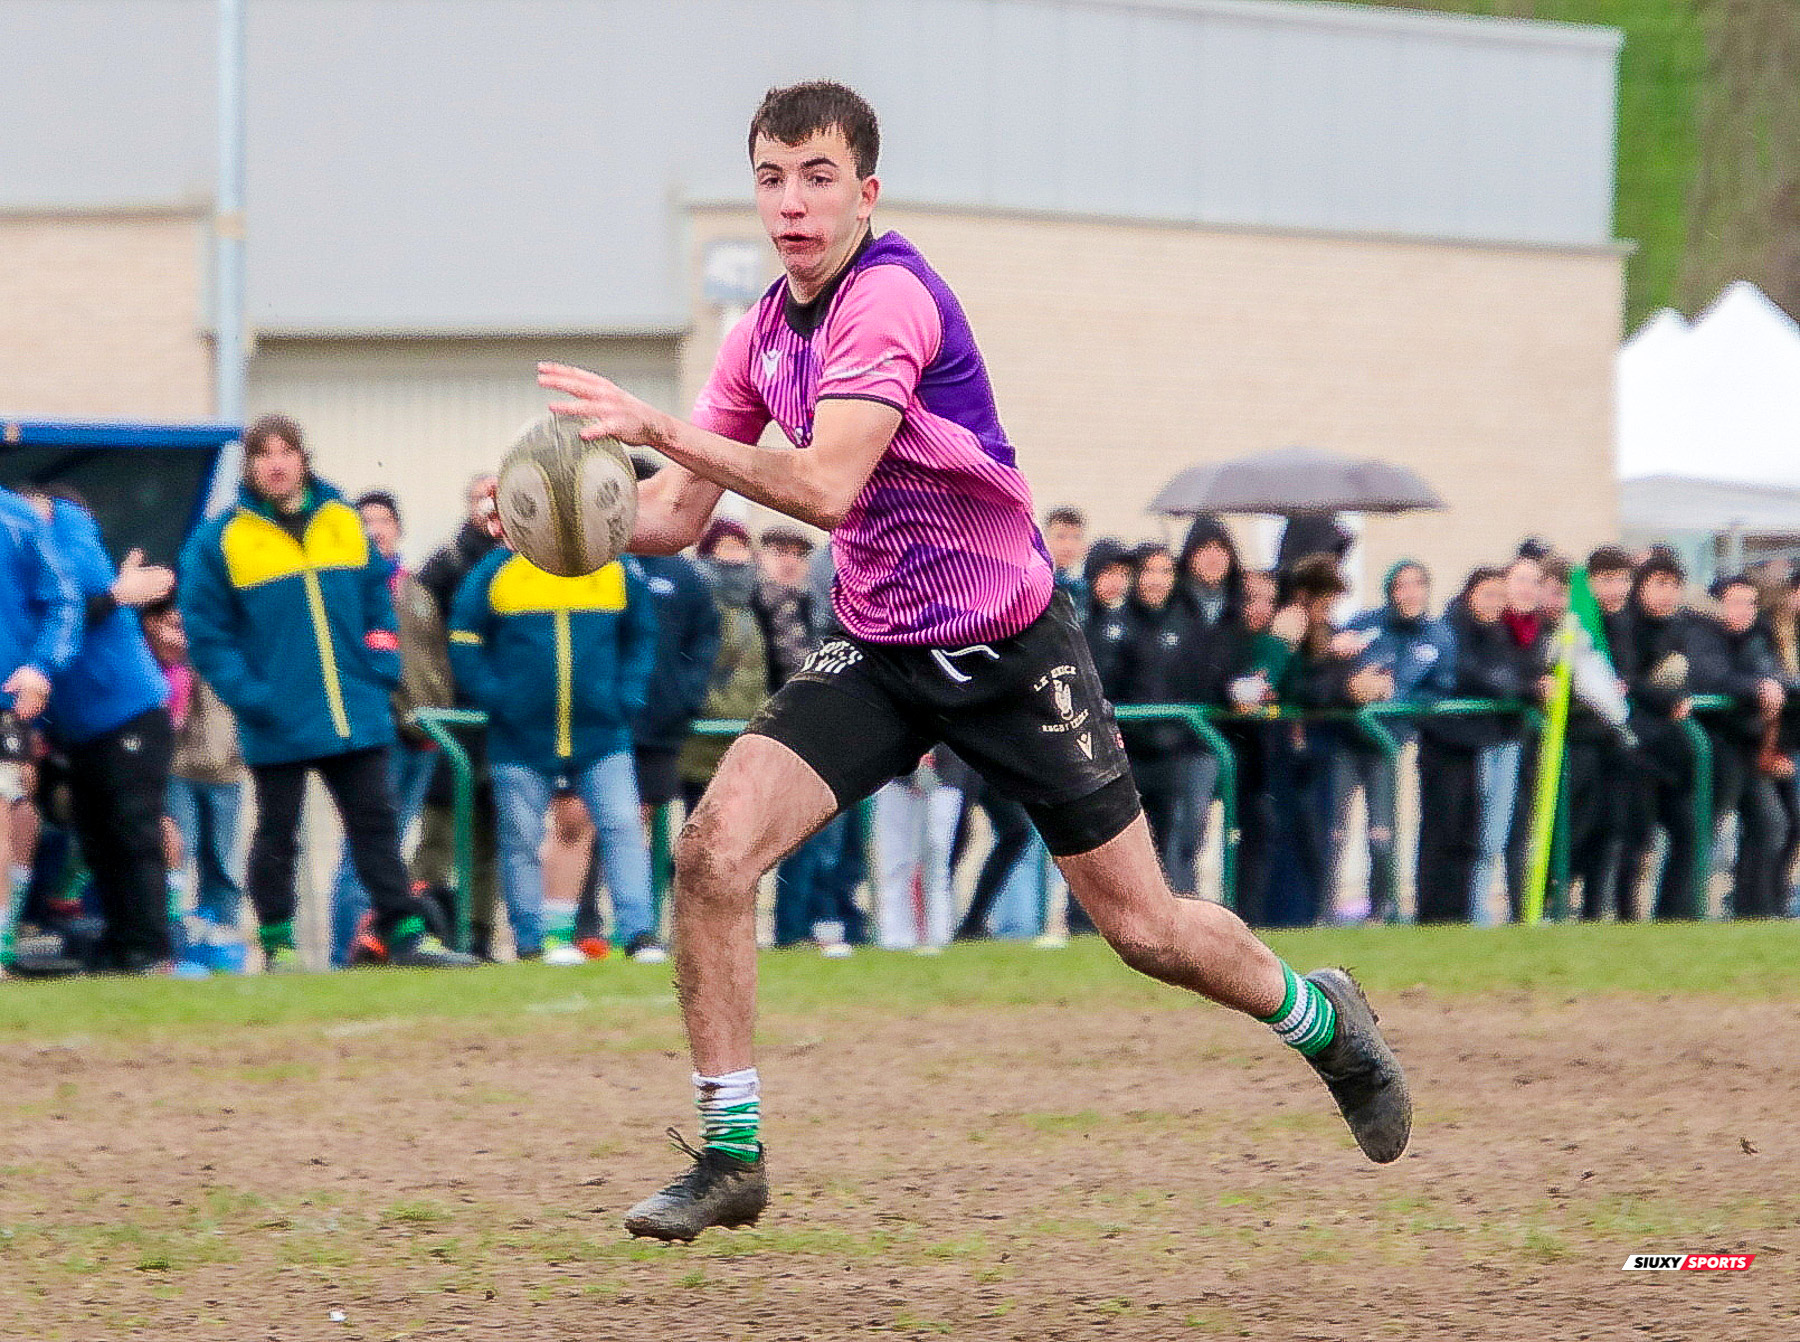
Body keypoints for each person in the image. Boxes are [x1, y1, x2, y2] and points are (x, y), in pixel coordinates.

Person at [531, 80, 1410, 1240]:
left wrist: (653, 428)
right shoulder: (758, 336)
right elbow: (680, 513)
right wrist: (562, 529)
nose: (792, 204)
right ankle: (731, 1151)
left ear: (866, 190)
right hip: (882, 651)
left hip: (1008, 652)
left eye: (818, 176)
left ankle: (1321, 1018)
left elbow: (824, 484)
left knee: (1145, 931)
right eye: (771, 178)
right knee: (711, 851)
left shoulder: (888, 299)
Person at [180, 413, 476, 970]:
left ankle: (404, 934)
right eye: (263, 453)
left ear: (302, 458)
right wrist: (251, 695)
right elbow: (208, 634)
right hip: (277, 719)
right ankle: (277, 942)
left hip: (356, 710)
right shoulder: (218, 541)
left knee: (376, 824)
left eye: (285, 451)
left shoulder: (343, 521)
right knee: (277, 834)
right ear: (249, 465)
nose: (276, 463)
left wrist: (382, 662)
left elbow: (376, 598)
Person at [448, 533, 659, 961]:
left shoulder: (613, 567)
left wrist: (627, 695)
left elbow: (642, 634)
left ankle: (639, 935)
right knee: (522, 839)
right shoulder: (494, 570)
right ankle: (532, 941)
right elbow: (464, 638)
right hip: (520, 736)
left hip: (602, 733)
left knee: (622, 828)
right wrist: (498, 698)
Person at [27, 487, 178, 973]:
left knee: (133, 830)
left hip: (128, 711)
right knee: (98, 837)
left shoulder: (70, 536)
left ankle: (151, 951)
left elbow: (69, 609)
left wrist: (115, 593)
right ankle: (122, 946)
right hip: (83, 727)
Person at [330, 491, 454, 966]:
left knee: (393, 844)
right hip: (379, 734)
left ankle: (382, 943)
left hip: (424, 736)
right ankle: (349, 949)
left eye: (384, 521)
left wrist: (435, 712)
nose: (376, 530)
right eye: (366, 523)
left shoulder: (417, 590)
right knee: (363, 846)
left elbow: (434, 662)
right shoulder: (352, 589)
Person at [414, 474, 503, 958]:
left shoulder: (528, 562)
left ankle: (480, 930)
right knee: (438, 831)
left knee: (490, 835)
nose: (488, 509)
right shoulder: (445, 565)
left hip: (501, 719)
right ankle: (425, 926)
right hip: (452, 718)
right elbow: (423, 639)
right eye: (479, 499)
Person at [1335, 561, 1451, 923]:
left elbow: (1441, 691)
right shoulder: (1364, 625)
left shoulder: (1438, 637)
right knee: (1334, 830)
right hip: (1347, 740)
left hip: (1389, 743)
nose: (1409, 593)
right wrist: (1352, 684)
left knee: (1381, 831)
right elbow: (1333, 671)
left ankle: (1382, 910)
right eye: (1401, 586)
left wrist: (1394, 695)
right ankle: (1322, 910)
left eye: (1417, 585)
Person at [0, 487, 81, 967]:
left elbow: (64, 600)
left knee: (9, 808)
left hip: (4, 697)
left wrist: (40, 666)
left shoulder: (15, 520)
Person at [142, 598, 247, 963]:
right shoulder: (175, 641)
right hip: (178, 769)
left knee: (225, 868)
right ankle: (174, 944)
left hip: (227, 768)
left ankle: (220, 945)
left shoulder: (233, 631)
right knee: (176, 857)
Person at [1615, 552, 1705, 920]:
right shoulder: (1625, 626)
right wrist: (1667, 700)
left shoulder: (1686, 628)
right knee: (1637, 839)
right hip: (1637, 750)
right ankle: (1627, 916)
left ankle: (1674, 915)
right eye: (1659, 585)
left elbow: (1699, 675)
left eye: (1674, 586)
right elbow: (1627, 680)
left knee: (1687, 833)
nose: (1667, 594)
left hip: (1675, 752)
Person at [1697, 574, 1786, 918]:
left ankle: (1757, 912)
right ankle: (1687, 910)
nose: (1744, 610)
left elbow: (1774, 674)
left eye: (1750, 603)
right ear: (1718, 603)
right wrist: (1757, 687)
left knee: (1770, 824)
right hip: (1716, 744)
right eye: (1735, 602)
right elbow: (1711, 677)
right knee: (1707, 828)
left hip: (1748, 744)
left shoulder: (1758, 637)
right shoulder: (1701, 634)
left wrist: (1769, 684)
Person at [1567, 546, 1638, 919]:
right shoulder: (1578, 624)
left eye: (1623, 579)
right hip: (1580, 740)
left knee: (1611, 829)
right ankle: (1556, 901)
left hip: (1614, 742)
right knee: (1577, 827)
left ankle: (1596, 912)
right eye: (1606, 580)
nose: (1616, 589)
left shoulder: (1627, 622)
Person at [1043, 507, 1089, 612]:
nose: (1068, 546)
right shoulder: (1038, 584)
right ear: (1045, 540)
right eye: (1061, 537)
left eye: (1076, 538)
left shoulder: (1084, 588)